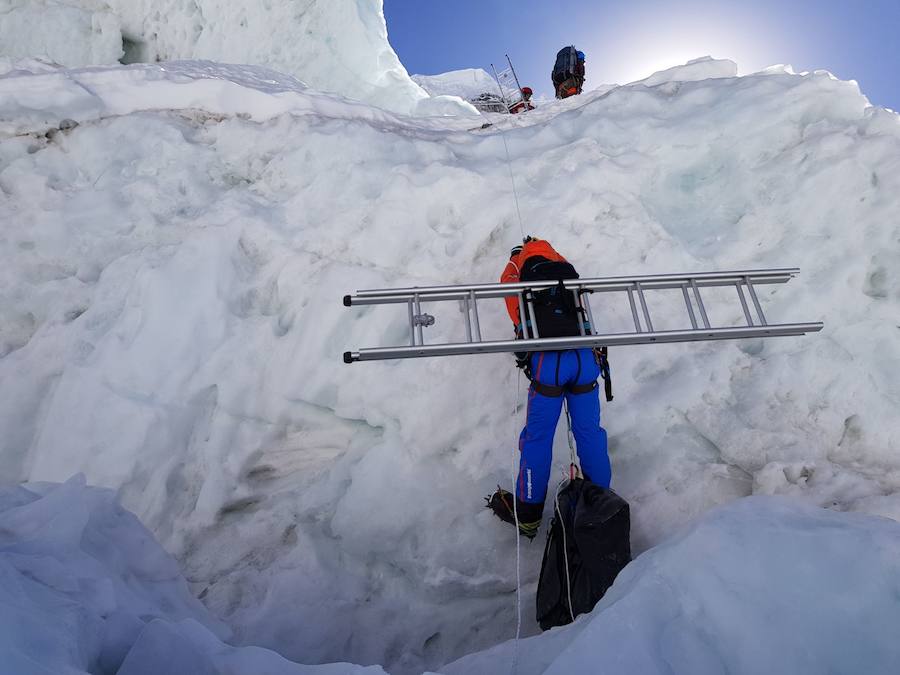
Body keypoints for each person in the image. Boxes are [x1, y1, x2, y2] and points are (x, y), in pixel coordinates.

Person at [487, 237, 611, 538]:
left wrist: (515, 256)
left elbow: (508, 285)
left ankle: (528, 515)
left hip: (550, 366)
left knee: (537, 439)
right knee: (590, 433)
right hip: (585, 360)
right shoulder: (562, 265)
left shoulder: (522, 270)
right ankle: (601, 507)